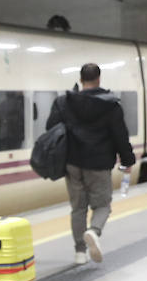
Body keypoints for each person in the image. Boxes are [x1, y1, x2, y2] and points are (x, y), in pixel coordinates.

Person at [46, 63, 135, 264]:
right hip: (99, 163)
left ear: (81, 79)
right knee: (102, 205)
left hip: (72, 162)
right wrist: (127, 161)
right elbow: (120, 136)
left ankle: (79, 252)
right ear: (99, 79)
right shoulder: (111, 105)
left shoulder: (64, 102)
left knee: (78, 208)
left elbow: (51, 127)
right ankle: (94, 231)